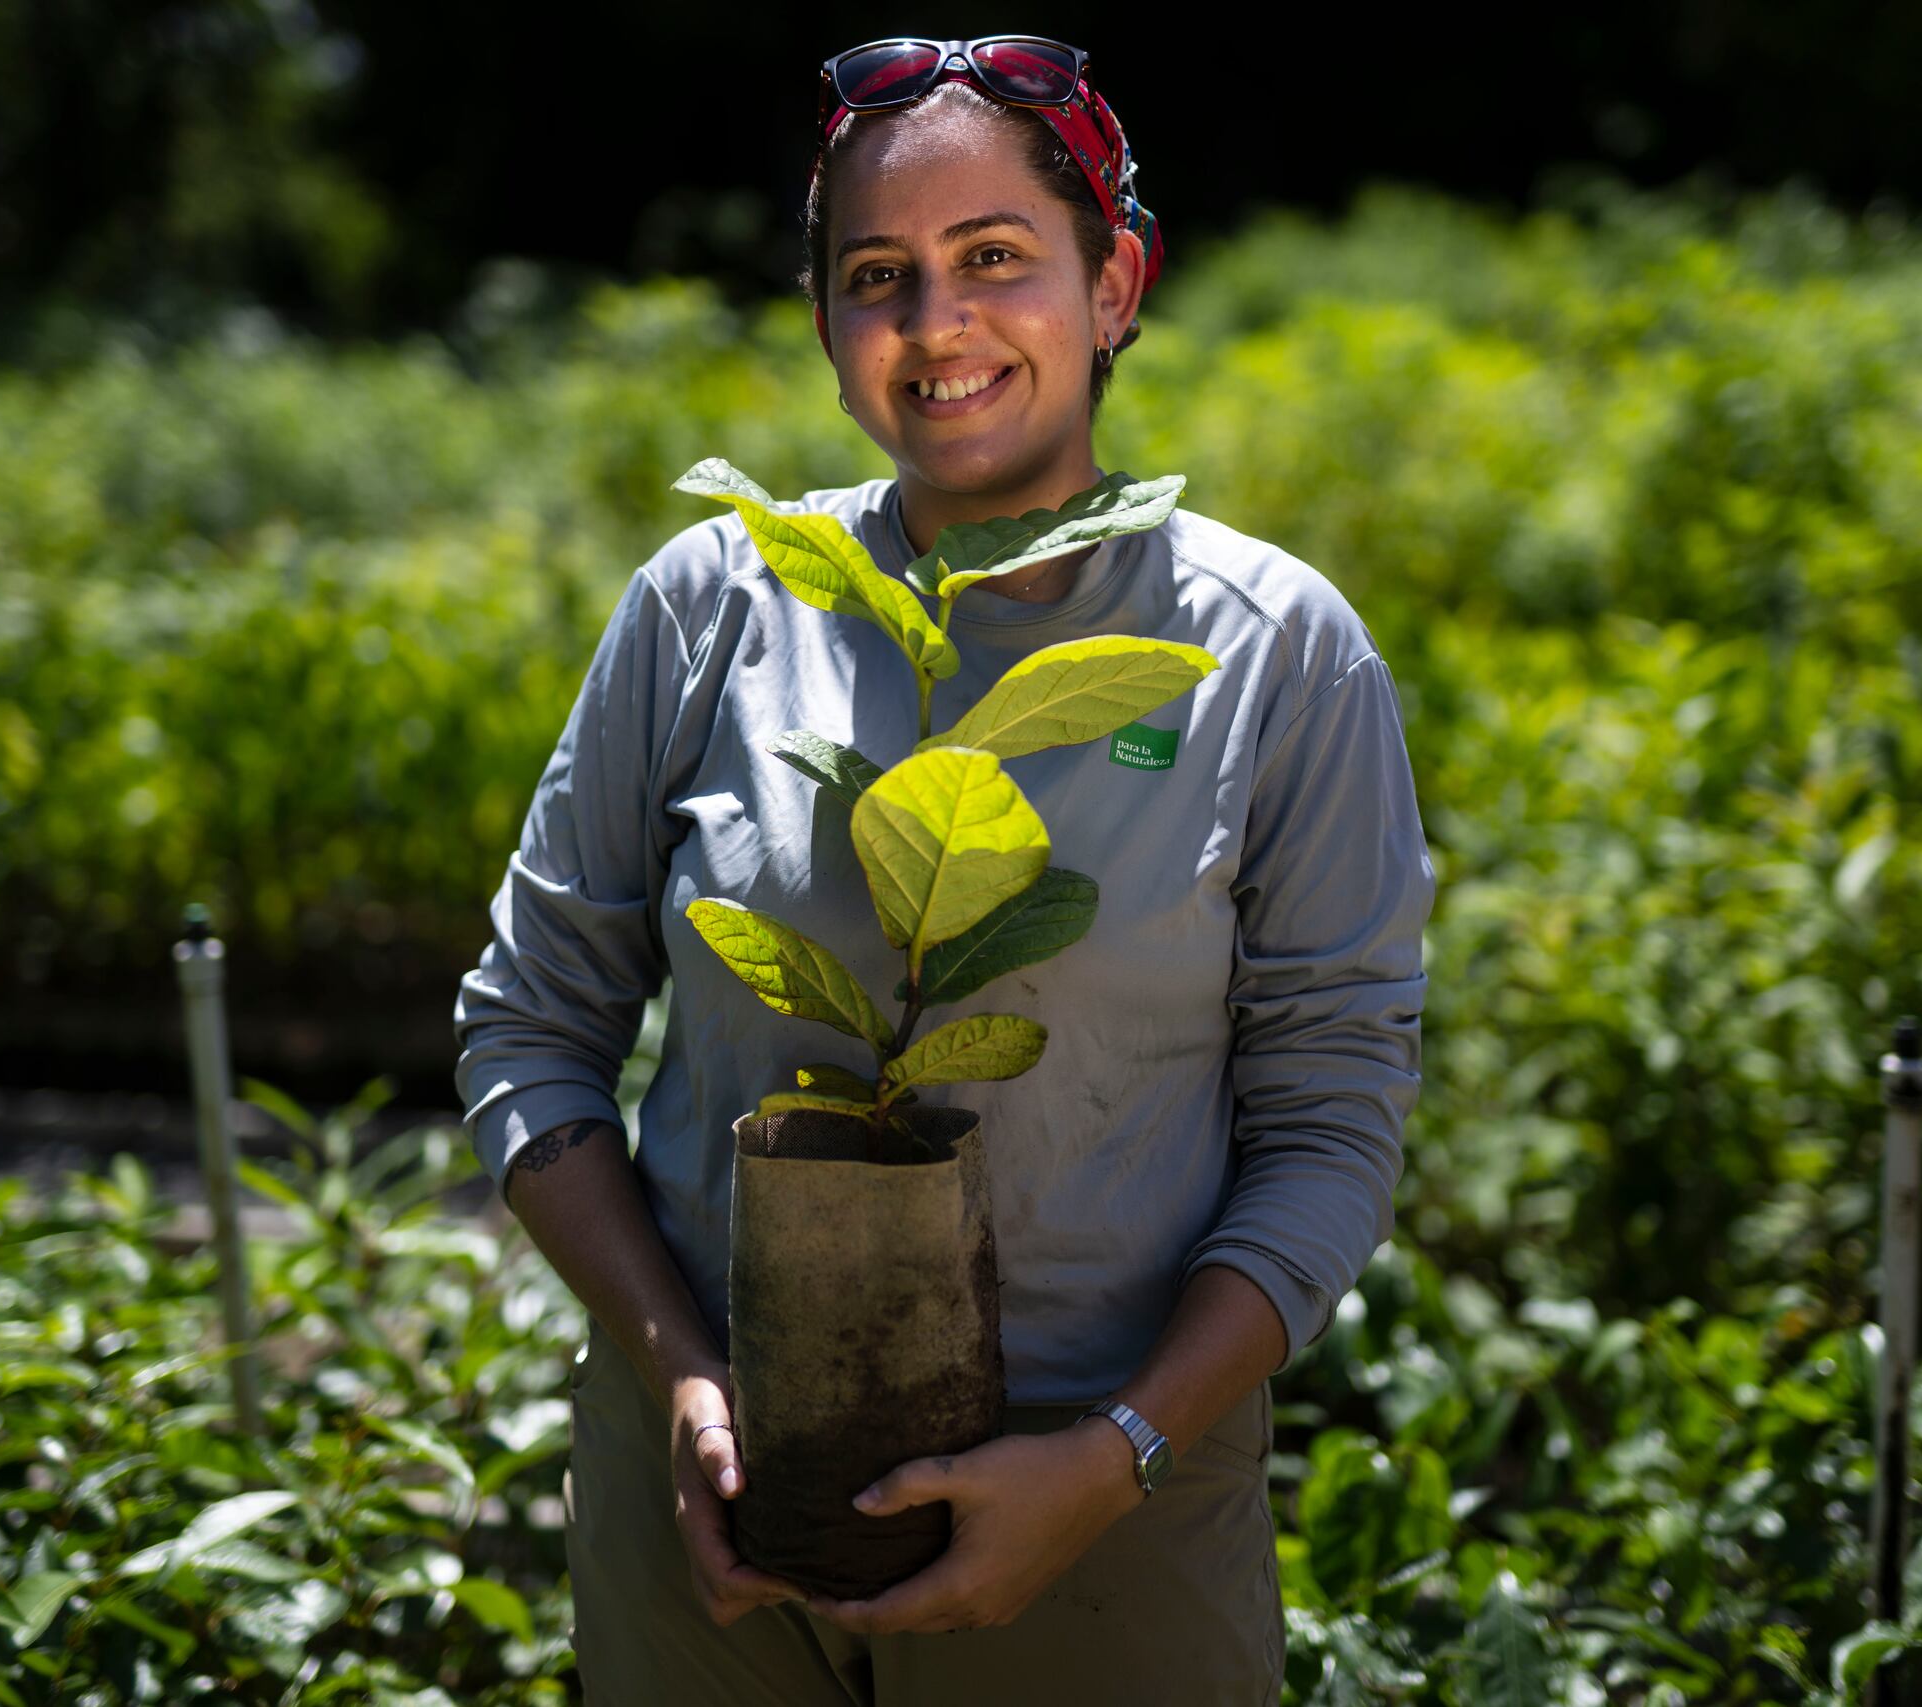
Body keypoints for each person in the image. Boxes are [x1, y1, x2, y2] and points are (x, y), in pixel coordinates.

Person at [452, 34, 1434, 1705]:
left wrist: (1116, 1450)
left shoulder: (1276, 654)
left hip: (1104, 1530)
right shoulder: (716, 606)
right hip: (714, 1538)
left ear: (1115, 283)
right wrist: (682, 1383)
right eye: (877, 277)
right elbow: (529, 1029)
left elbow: (1334, 1120)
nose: (938, 324)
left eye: (998, 260)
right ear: (830, 326)